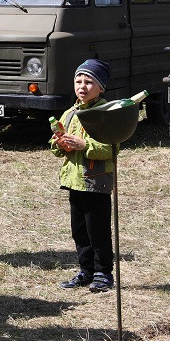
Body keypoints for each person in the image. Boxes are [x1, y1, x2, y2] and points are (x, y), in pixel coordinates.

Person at [51, 59, 115, 293]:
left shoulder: (106, 113)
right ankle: (86, 270)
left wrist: (82, 144)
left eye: (89, 82)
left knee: (97, 229)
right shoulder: (70, 112)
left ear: (101, 88)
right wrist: (60, 143)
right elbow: (55, 146)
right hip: (74, 181)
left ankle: (103, 273)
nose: (82, 86)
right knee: (79, 230)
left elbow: (111, 148)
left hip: (96, 181)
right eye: (78, 81)